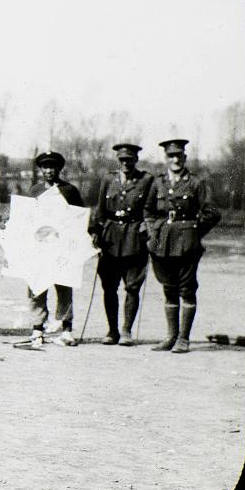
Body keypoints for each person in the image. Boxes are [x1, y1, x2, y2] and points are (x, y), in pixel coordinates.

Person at [144, 139, 220, 353]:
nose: (175, 159)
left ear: (185, 158)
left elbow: (212, 213)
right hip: (161, 243)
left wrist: (194, 233)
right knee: (168, 288)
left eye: (179, 156)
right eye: (171, 156)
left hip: (187, 244)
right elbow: (148, 211)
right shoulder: (158, 183)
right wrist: (152, 233)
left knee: (186, 289)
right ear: (166, 158)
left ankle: (183, 339)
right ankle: (171, 336)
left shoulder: (196, 182)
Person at [90, 143, 154, 345]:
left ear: (136, 160)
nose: (126, 163)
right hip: (110, 238)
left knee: (132, 287)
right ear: (118, 160)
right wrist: (94, 231)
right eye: (122, 160)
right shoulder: (109, 179)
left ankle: (126, 331)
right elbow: (100, 209)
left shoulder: (146, 180)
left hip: (135, 238)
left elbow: (151, 209)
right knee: (109, 286)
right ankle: (112, 331)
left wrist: (148, 227)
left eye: (130, 159)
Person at [27, 151, 84, 347]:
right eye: (45, 167)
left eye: (52, 167)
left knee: (64, 285)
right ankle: (37, 328)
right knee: (37, 287)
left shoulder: (70, 191)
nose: (49, 171)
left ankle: (66, 328)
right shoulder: (34, 191)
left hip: (62, 248)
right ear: (40, 169)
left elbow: (79, 219)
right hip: (40, 248)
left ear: (59, 169)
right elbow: (27, 219)